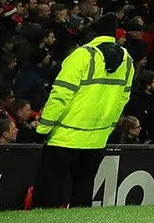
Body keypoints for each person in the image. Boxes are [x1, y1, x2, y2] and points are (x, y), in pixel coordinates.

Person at [35, 14, 134, 209]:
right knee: (84, 189)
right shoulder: (127, 61)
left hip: (65, 136)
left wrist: (43, 128)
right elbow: (123, 99)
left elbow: (61, 94)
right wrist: (108, 128)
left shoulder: (82, 55)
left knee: (51, 192)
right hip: (96, 139)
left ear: (93, 33)